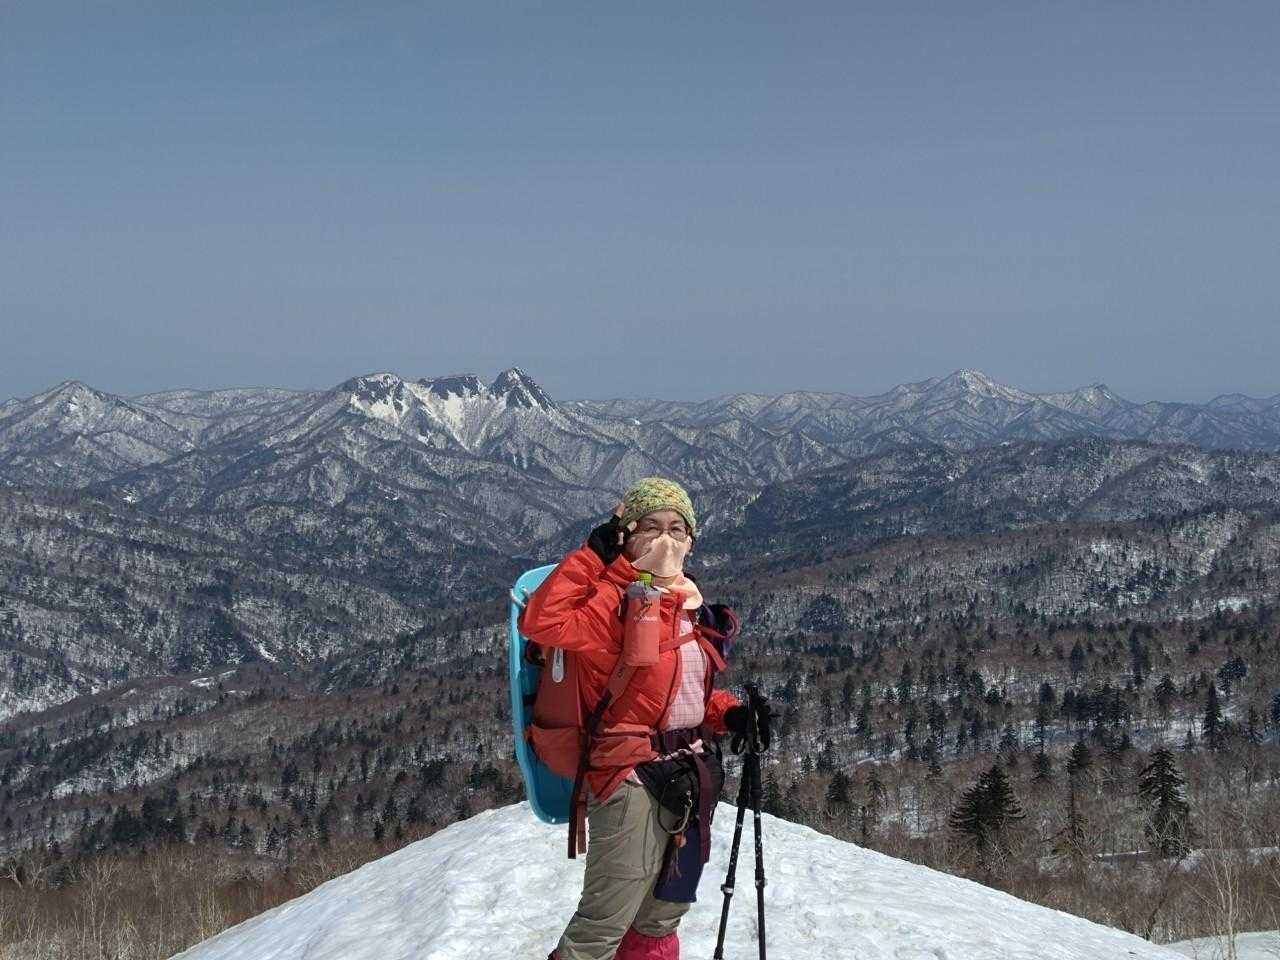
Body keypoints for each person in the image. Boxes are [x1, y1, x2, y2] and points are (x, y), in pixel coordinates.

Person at [518, 477, 770, 960]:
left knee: (661, 917)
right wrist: (595, 556)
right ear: (625, 536)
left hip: (692, 777)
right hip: (629, 774)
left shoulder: (692, 608)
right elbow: (542, 621)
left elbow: (685, 694)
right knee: (603, 923)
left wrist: (732, 714)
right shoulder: (612, 602)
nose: (665, 540)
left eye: (677, 528)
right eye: (649, 527)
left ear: (692, 539)